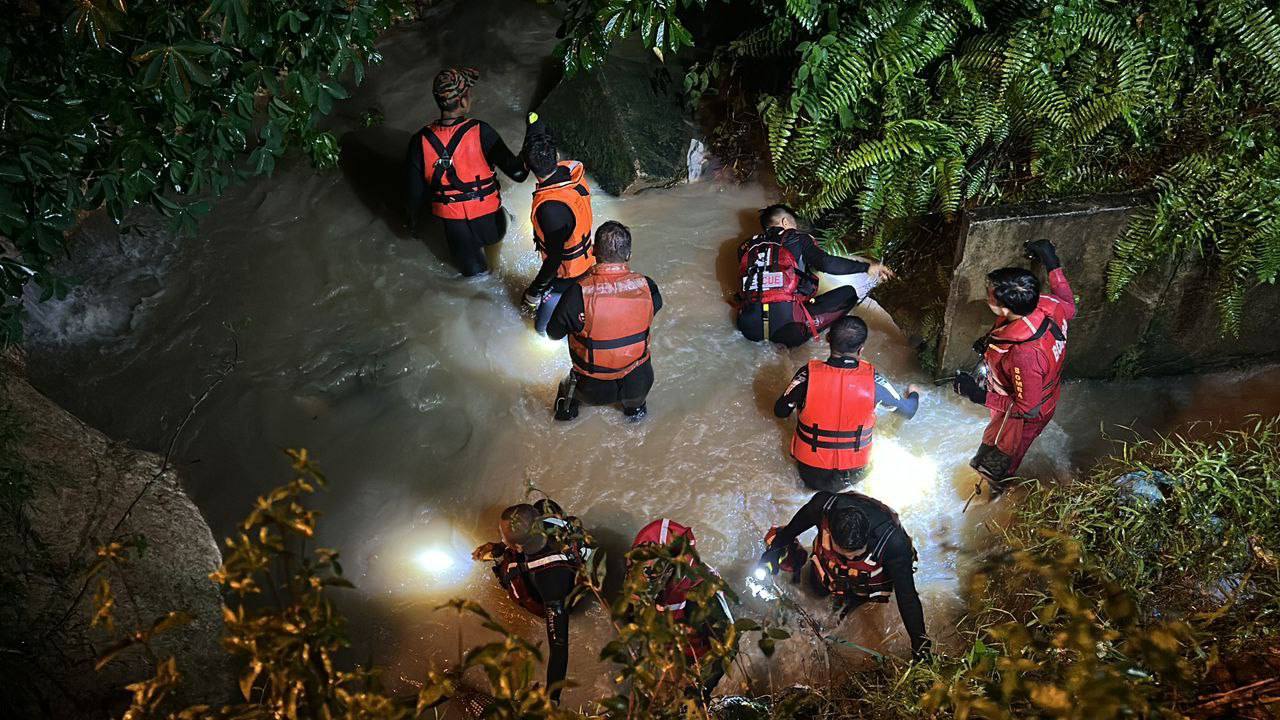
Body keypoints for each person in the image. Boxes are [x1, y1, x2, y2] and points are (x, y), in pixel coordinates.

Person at [952, 239, 1076, 492]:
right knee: (993, 451)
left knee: (999, 462)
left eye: (990, 296)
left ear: (1006, 309)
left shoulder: (1024, 355)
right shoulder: (1047, 305)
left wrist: (977, 395)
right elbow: (1069, 305)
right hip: (1036, 391)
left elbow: (1027, 408)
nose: (987, 297)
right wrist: (1052, 263)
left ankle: (998, 495)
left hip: (1026, 415)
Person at [759, 490, 931, 660]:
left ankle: (842, 610)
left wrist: (920, 646)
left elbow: (907, 597)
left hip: (864, 584)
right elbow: (791, 530)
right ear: (831, 533)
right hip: (828, 569)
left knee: (843, 614)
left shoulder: (893, 544)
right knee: (814, 589)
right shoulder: (821, 506)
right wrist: (775, 550)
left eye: (856, 555)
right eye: (844, 553)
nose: (850, 558)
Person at [405, 67, 528, 277]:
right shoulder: (482, 131)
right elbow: (519, 174)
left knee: (476, 279)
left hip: (456, 231)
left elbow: (414, 195)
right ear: (463, 101)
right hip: (491, 223)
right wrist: (529, 147)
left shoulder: (419, 141)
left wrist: (414, 226)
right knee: (500, 254)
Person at [774, 316, 921, 492]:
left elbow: (780, 411)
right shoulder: (873, 382)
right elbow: (908, 411)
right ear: (861, 349)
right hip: (855, 475)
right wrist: (914, 393)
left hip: (811, 475)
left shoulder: (807, 375)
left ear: (828, 339)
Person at [471, 499, 594, 704]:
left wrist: (551, 700)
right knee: (542, 502)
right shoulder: (548, 520)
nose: (501, 538)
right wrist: (499, 545)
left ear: (518, 547)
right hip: (573, 563)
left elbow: (559, 647)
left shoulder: (549, 581)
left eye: (503, 536)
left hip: (560, 594)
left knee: (512, 576)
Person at [547, 221, 662, 421]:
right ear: (629, 255)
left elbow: (553, 333)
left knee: (566, 391)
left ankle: (564, 417)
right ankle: (635, 415)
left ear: (593, 251)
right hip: (639, 381)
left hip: (593, 388)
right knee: (636, 416)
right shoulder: (648, 287)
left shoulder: (577, 293)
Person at [737, 204, 895, 347]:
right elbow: (825, 263)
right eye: (794, 224)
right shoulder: (798, 238)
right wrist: (867, 267)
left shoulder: (746, 247)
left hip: (748, 329)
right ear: (785, 222)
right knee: (848, 293)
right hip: (790, 331)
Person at [628, 519, 734, 703]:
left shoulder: (701, 589)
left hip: (698, 661)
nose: (645, 579)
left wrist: (699, 692)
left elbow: (728, 646)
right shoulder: (650, 576)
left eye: (651, 573)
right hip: (671, 653)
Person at [520, 119, 595, 333]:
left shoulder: (550, 209)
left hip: (568, 276)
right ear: (557, 157)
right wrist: (534, 123)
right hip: (587, 261)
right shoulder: (572, 176)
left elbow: (554, 260)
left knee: (542, 330)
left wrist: (534, 291)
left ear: (528, 167)